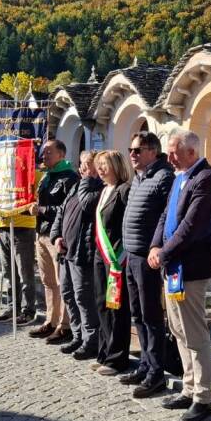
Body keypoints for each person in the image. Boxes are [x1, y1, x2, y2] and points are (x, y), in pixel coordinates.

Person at [148, 129, 211, 421]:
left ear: (191, 151)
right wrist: (155, 245)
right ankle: (188, 386)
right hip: (172, 266)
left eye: (174, 151)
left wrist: (162, 253)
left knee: (194, 332)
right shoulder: (181, 176)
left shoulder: (205, 178)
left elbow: (191, 226)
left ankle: (203, 396)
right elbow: (166, 217)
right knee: (178, 329)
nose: (169, 156)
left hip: (190, 267)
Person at [120, 131, 174, 398]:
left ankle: (156, 372)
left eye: (137, 150)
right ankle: (145, 363)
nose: (132, 154)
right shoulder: (139, 178)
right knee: (137, 314)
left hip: (148, 257)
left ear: (153, 151)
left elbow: (167, 218)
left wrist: (158, 249)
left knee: (151, 315)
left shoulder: (163, 177)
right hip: (131, 254)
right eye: (131, 150)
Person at [51, 151, 103, 357]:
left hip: (84, 252)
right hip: (66, 252)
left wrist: (88, 179)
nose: (81, 168)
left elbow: (87, 204)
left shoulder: (98, 187)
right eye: (81, 164)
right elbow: (61, 213)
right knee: (68, 294)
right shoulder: (77, 186)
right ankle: (77, 335)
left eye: (86, 164)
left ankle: (91, 340)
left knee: (83, 297)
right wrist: (56, 237)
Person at [28, 140, 77, 342]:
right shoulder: (46, 177)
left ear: (61, 154)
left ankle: (65, 326)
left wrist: (42, 210)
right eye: (43, 152)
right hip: (41, 233)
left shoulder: (70, 177)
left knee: (61, 282)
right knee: (48, 281)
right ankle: (51, 321)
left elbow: (68, 209)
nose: (44, 155)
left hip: (58, 237)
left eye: (49, 152)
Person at [92, 150, 133, 375]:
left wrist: (121, 254)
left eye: (105, 165)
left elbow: (127, 224)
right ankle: (104, 352)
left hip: (117, 255)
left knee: (117, 306)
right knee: (101, 303)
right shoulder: (104, 190)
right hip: (101, 254)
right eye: (99, 165)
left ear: (117, 165)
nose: (100, 169)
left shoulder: (124, 190)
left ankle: (117, 358)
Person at [0, 202, 38, 325]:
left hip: (22, 226)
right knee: (9, 273)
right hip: (3, 226)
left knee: (25, 274)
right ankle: (13, 308)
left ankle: (28, 311)